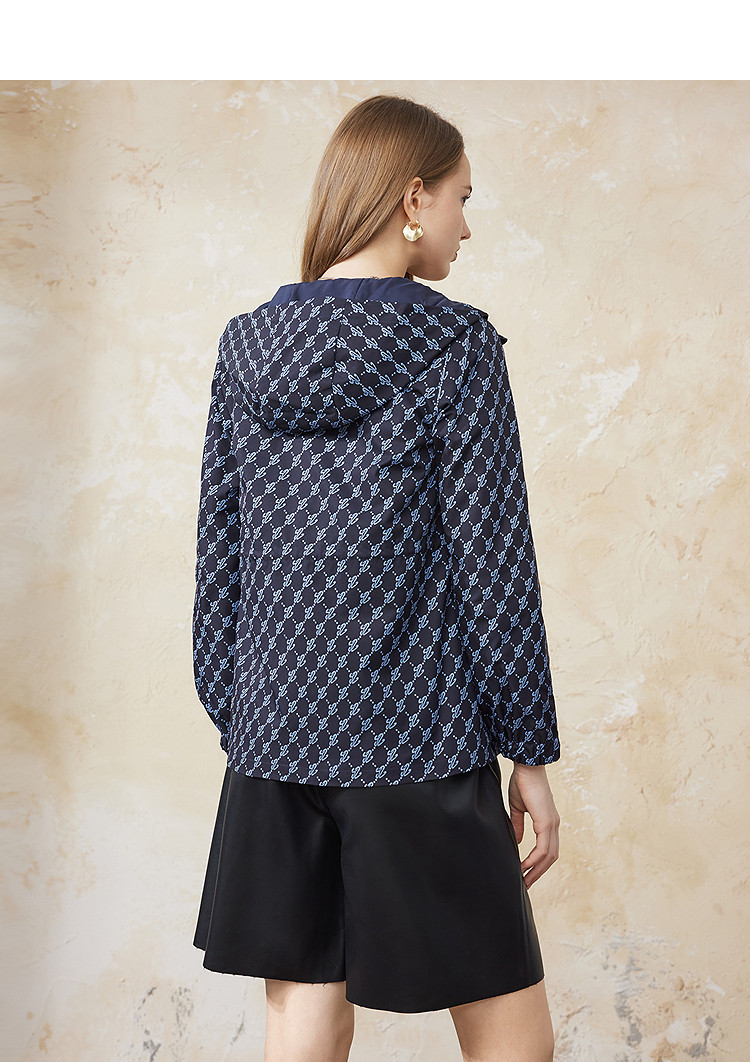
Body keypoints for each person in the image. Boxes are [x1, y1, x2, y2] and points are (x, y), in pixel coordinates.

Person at [191, 93, 561, 1062]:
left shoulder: (244, 347)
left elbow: (219, 563)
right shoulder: (457, 347)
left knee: (303, 1023)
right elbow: (495, 567)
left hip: (276, 742)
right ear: (412, 198)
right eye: (462, 199)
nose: (466, 226)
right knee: (512, 1037)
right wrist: (528, 753)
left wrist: (253, 717)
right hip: (418, 739)